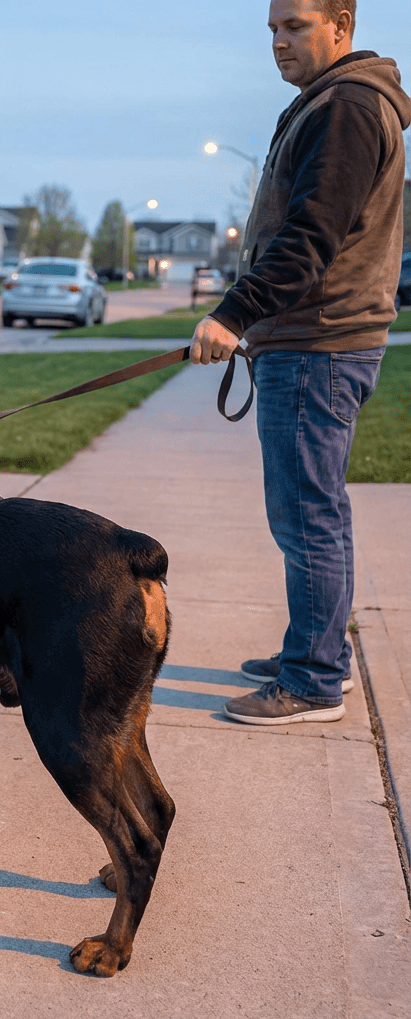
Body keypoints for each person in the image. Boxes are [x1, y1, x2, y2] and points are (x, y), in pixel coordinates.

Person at [189, 0, 410, 725]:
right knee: (313, 510)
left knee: (307, 514)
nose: (279, 43)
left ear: (340, 25)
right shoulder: (334, 102)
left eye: (295, 27)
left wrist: (232, 313)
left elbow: (309, 240)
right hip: (317, 342)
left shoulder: (345, 106)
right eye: (272, 31)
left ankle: (313, 679)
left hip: (319, 344)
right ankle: (315, 651)